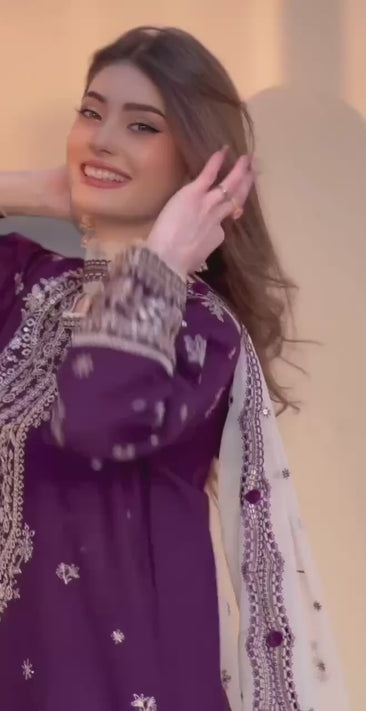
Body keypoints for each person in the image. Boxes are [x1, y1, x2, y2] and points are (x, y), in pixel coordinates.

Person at [0, 26, 348, 711]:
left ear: (199, 166)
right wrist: (26, 190)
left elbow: (94, 418)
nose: (102, 140)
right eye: (91, 113)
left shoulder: (198, 330)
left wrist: (158, 264)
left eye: (141, 125)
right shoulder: (25, 282)